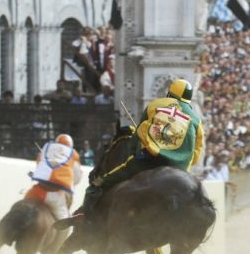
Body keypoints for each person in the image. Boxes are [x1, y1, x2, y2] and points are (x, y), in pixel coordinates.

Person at [76, 78, 204, 217]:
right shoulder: (196, 120)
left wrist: (134, 154)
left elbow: (139, 134)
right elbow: (197, 152)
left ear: (170, 92)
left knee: (100, 182)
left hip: (150, 160)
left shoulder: (155, 105)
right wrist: (184, 166)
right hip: (180, 168)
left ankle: (85, 217)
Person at [24, 133, 83, 221]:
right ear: (70, 145)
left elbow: (39, 166)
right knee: (66, 224)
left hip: (37, 191)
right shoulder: (73, 154)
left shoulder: (46, 149)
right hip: (56, 195)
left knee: (23, 206)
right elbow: (77, 177)